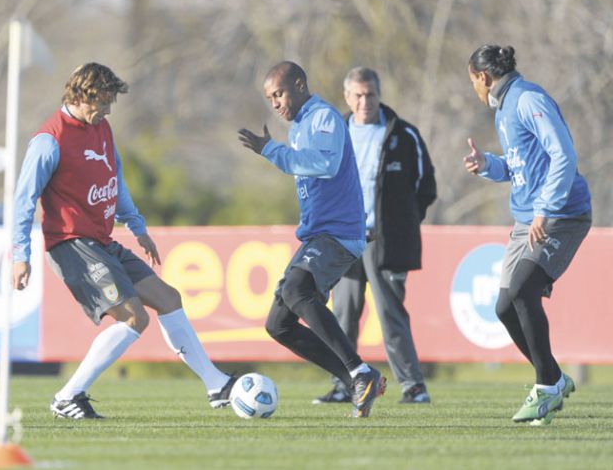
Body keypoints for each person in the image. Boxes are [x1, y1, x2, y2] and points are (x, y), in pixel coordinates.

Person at [12, 63, 236, 419]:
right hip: (72, 245)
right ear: (81, 95)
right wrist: (20, 254)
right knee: (134, 317)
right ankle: (68, 396)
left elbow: (114, 179)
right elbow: (23, 201)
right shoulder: (49, 140)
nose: (108, 109)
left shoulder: (101, 127)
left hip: (102, 241)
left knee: (168, 298)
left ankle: (216, 384)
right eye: (102, 101)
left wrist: (137, 226)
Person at [237, 61, 386, 417]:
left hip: (338, 232)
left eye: (279, 94)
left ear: (300, 85)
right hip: (320, 233)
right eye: (270, 98)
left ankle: (358, 371)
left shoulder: (323, 118)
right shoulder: (301, 125)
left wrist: (272, 151)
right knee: (278, 325)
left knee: (296, 291)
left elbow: (326, 164)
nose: (275, 103)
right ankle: (356, 380)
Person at [463, 45, 592, 425]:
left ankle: (546, 387)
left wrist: (545, 210)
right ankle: (554, 378)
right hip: (528, 220)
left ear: (483, 77)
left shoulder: (528, 99)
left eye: (472, 81)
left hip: (562, 215)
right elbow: (521, 167)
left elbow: (564, 155)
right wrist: (488, 165)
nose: (474, 88)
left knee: (522, 290)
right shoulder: (504, 107)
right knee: (505, 307)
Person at [312, 67, 434, 406]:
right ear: (347, 97)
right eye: (358, 95)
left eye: (370, 95)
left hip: (384, 241)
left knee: (390, 314)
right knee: (343, 316)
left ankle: (413, 387)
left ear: (379, 95)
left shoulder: (402, 135)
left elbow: (425, 186)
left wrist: (402, 224)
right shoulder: (333, 134)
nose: (365, 101)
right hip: (344, 240)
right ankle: (344, 385)